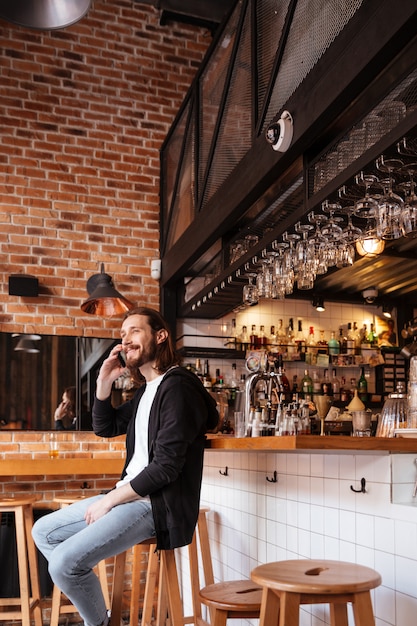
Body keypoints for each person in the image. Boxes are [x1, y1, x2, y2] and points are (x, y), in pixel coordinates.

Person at [32, 306, 218, 626]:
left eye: (134, 331)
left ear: (160, 336)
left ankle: (98, 621)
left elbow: (166, 468)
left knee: (62, 563)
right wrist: (103, 382)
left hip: (153, 504)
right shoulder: (147, 390)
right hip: (129, 497)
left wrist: (110, 500)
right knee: (43, 531)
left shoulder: (178, 387)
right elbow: (105, 427)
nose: (125, 339)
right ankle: (96, 606)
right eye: (122, 334)